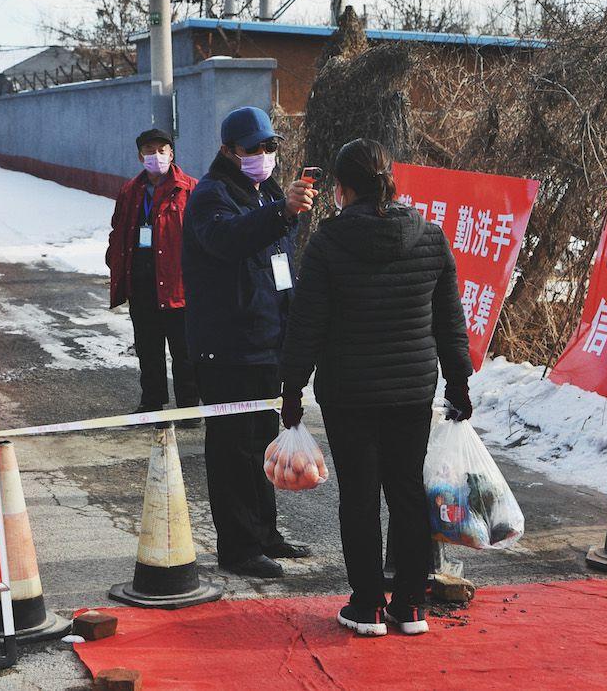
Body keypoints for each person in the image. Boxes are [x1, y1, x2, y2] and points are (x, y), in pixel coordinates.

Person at [278, 138, 472, 637]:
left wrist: (292, 389)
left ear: (340, 190)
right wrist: (458, 382)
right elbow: (450, 321)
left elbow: (307, 326)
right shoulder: (430, 238)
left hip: (349, 394)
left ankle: (366, 605)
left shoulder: (326, 243)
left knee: (360, 497)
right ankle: (409, 607)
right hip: (411, 391)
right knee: (407, 492)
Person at [182, 106, 317, 579]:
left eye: (269, 147)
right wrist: (282, 213)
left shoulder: (267, 192)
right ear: (228, 150)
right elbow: (227, 240)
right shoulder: (211, 196)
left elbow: (278, 264)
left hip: (267, 342)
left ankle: (265, 533)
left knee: (263, 443)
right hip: (229, 347)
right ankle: (238, 548)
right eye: (252, 148)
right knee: (233, 451)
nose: (263, 156)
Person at [106, 129, 200, 424]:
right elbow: (118, 230)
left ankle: (188, 407)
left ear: (171, 154)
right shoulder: (130, 191)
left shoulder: (190, 189)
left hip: (178, 286)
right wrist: (115, 261)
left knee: (184, 351)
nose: (156, 156)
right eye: (149, 150)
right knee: (148, 349)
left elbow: (201, 236)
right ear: (140, 156)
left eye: (162, 150)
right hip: (142, 284)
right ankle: (152, 403)